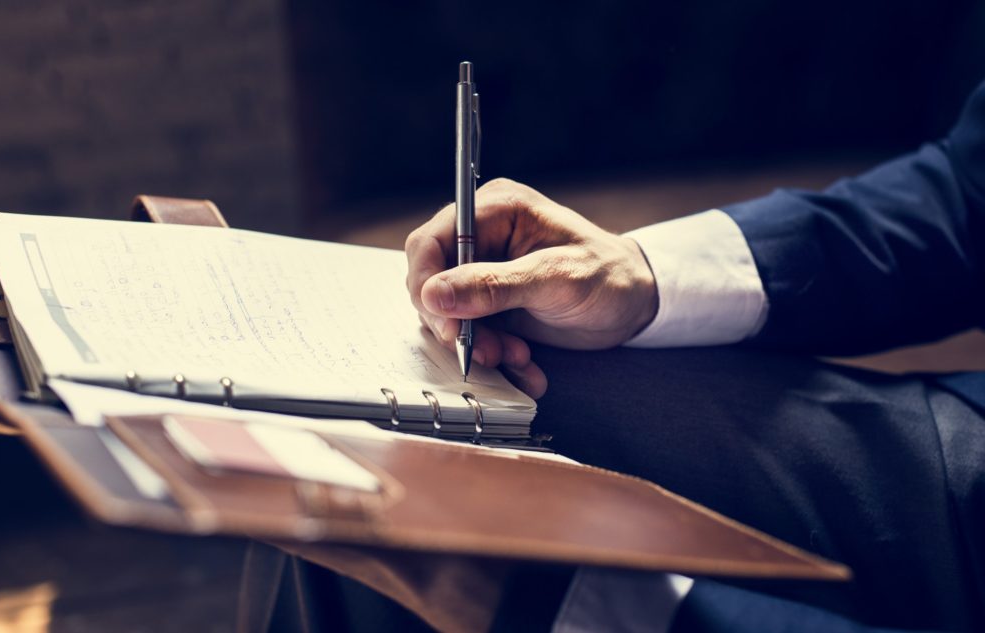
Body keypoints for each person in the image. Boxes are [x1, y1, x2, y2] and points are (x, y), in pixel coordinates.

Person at [398, 78, 985, 632]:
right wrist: (639, 277)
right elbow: (967, 189)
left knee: (416, 536)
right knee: (431, 437)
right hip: (959, 443)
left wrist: (557, 610)